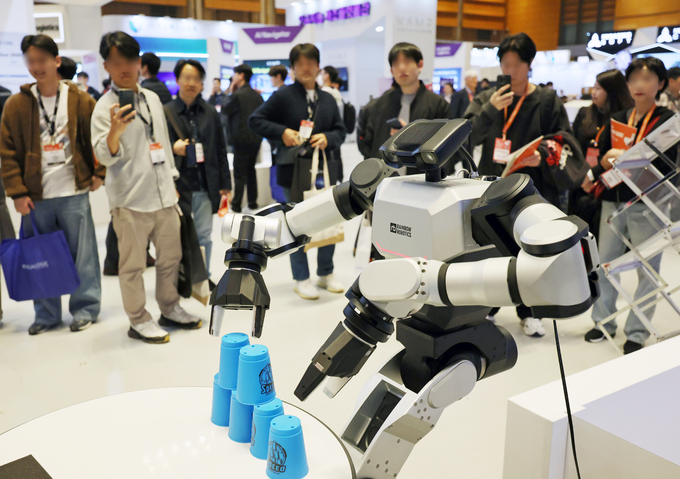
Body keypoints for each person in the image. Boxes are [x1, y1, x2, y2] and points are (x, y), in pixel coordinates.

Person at [91, 31, 202, 344]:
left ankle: (169, 307)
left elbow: (162, 143)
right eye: (116, 61)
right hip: (130, 200)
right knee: (132, 266)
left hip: (164, 196)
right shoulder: (103, 107)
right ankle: (138, 319)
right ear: (106, 66)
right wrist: (115, 130)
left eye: (129, 59)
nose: (124, 67)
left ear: (139, 62)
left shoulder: (152, 98)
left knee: (171, 258)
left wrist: (172, 180)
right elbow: (103, 156)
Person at [464, 32, 571, 338]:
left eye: (516, 64)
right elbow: (467, 136)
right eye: (505, 64)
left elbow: (563, 138)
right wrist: (489, 110)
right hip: (492, 185)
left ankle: (531, 311)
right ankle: (490, 306)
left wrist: (543, 156)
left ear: (529, 63)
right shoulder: (488, 97)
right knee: (492, 248)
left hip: (531, 187)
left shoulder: (546, 100)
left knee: (531, 250)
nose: (510, 71)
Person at [0, 34, 104, 335]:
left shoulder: (81, 99)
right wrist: (17, 193)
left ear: (56, 61)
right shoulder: (17, 104)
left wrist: (99, 173)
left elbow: (96, 138)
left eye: (42, 60)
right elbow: (7, 152)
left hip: (74, 192)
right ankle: (46, 314)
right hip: (36, 197)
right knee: (40, 256)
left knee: (83, 255)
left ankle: (85, 308)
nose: (36, 67)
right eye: (30, 61)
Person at [581, 57, 677, 354]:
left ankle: (637, 330)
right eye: (634, 79)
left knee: (647, 269)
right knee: (604, 264)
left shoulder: (667, 121)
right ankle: (603, 322)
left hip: (648, 203)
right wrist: (602, 165)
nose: (639, 85)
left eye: (647, 79)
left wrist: (629, 157)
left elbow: (668, 165)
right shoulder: (619, 117)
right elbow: (604, 158)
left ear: (661, 84)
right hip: (613, 201)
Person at [249, 43, 346, 300]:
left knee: (329, 218)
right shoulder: (283, 96)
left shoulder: (328, 98)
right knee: (296, 224)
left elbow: (341, 130)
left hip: (324, 170)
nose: (305, 68)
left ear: (318, 66)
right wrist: (282, 132)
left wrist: (328, 137)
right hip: (293, 171)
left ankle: (326, 273)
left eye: (310, 63)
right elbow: (255, 120)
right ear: (292, 68)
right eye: (300, 64)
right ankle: (301, 278)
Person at [165, 59, 232, 278]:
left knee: (204, 235)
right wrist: (173, 148)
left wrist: (225, 185)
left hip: (204, 184)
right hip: (177, 185)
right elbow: (155, 146)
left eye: (196, 79)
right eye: (187, 78)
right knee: (178, 236)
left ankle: (203, 278)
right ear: (177, 80)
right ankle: (181, 279)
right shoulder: (166, 112)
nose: (191, 83)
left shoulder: (210, 112)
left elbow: (220, 149)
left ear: (202, 84)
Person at [359, 43, 451, 161]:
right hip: (386, 170)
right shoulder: (380, 104)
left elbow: (449, 145)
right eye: (396, 64)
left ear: (420, 65)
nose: (402, 67)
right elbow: (367, 142)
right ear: (392, 71)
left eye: (407, 62)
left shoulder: (437, 104)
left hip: (421, 170)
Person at [570, 70, 633, 241]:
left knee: (602, 235)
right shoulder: (585, 113)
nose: (593, 92)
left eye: (599, 88)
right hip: (582, 179)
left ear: (612, 91)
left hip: (608, 184)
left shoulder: (623, 118)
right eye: (594, 87)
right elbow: (574, 146)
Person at [223, 64, 264, 213]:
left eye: (234, 74)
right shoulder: (257, 96)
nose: (233, 77)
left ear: (241, 75)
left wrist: (230, 91)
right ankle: (252, 203)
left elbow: (225, 109)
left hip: (240, 140)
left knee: (239, 173)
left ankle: (236, 205)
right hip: (255, 139)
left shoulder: (236, 95)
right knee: (251, 171)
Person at [321, 65, 345, 182]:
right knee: (336, 157)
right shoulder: (336, 93)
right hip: (336, 133)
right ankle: (337, 177)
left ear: (327, 76)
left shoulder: (325, 93)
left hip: (326, 135)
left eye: (322, 73)